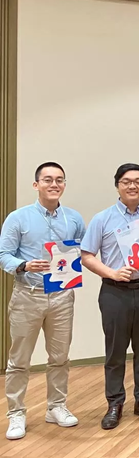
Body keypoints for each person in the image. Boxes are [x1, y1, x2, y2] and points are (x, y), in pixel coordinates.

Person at [81, 163, 139, 430]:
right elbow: (86, 255)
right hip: (114, 292)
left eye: (138, 181)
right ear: (117, 185)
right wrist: (111, 272)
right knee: (115, 350)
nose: (132, 185)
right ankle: (115, 403)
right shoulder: (103, 218)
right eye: (126, 181)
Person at [0, 162, 85, 440]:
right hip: (28, 296)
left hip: (62, 297)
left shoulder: (73, 219)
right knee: (19, 360)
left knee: (60, 358)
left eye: (59, 180)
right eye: (47, 180)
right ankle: (16, 414)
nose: (54, 184)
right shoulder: (18, 218)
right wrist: (24, 265)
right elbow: (4, 255)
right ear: (36, 185)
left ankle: (56, 407)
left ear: (64, 185)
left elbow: (84, 252)